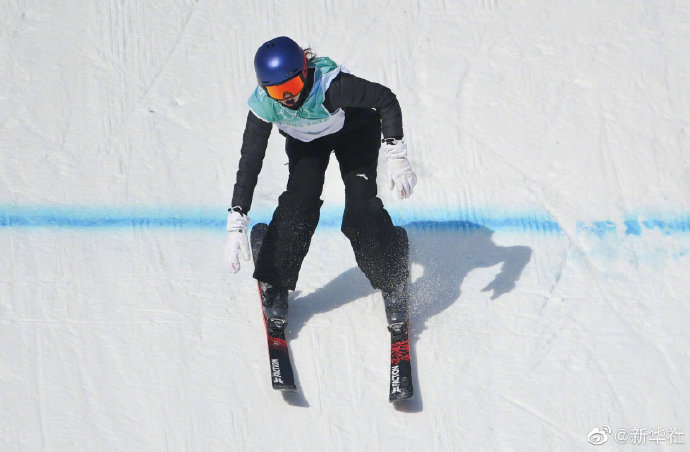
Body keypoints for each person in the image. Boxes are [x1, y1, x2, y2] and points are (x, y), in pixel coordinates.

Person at [224, 36, 417, 330]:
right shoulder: (264, 105)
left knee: (360, 210)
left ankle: (392, 275)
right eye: (277, 91)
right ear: (264, 88)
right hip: (306, 142)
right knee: (299, 204)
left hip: (353, 131)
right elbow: (250, 159)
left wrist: (396, 153)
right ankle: (274, 277)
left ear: (305, 71)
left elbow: (385, 99)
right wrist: (237, 219)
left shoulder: (333, 87)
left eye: (292, 85)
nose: (287, 97)